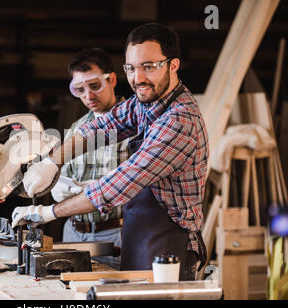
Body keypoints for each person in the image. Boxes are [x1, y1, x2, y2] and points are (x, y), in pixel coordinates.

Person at [12, 23, 208, 280]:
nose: (138, 79)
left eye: (149, 66)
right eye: (131, 68)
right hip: (142, 234)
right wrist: (52, 162)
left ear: (173, 65)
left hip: (171, 244)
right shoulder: (146, 103)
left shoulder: (179, 120)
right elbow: (104, 126)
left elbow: (121, 183)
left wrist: (48, 212)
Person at [51, 48, 130, 269]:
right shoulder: (76, 129)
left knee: (113, 294)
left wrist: (99, 191)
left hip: (115, 234)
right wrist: (58, 187)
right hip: (73, 232)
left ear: (111, 79)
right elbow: (63, 175)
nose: (88, 95)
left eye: (95, 86)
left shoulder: (135, 125)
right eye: (80, 89)